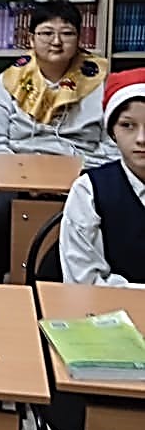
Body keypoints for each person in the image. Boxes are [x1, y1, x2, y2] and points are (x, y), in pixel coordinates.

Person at [0, 0, 119, 282]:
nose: (56, 42)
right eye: (46, 33)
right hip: (16, 176)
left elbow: (115, 142)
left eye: (66, 33)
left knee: (105, 216)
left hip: (83, 174)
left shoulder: (100, 82)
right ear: (31, 39)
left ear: (79, 38)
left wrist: (77, 175)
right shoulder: (10, 81)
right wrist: (23, 179)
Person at [60, 67, 145, 287]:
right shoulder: (89, 190)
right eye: (127, 125)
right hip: (108, 307)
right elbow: (84, 281)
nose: (141, 139)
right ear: (112, 131)